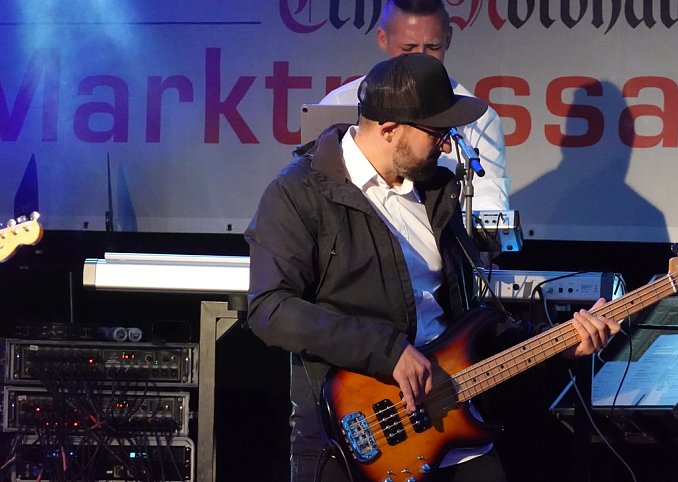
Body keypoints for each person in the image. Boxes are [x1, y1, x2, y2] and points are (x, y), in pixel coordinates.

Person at [246, 53, 620, 482]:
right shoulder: (298, 193)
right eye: (437, 132)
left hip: (452, 422)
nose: (447, 145)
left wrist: (556, 344)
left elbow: (470, 322)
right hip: (359, 438)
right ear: (389, 129)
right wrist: (388, 351)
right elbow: (270, 308)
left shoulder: (438, 192)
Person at [320, 0, 510, 211]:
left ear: (448, 39)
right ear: (383, 39)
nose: (420, 57)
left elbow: (488, 202)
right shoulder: (338, 103)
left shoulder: (478, 118)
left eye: (433, 47)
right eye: (408, 48)